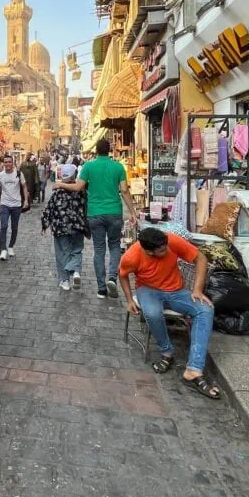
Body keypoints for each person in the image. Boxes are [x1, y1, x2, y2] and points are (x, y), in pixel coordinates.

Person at [120, 227, 219, 398]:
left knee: (205, 309)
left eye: (166, 247)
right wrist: (129, 300)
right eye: (162, 250)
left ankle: (194, 370)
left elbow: (200, 258)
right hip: (147, 289)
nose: (167, 250)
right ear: (149, 251)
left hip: (176, 290)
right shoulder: (131, 256)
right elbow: (122, 275)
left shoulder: (170, 240)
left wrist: (197, 290)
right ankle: (167, 351)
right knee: (152, 313)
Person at [53, 138, 137, 299]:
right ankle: (112, 277)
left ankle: (101, 289)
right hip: (114, 212)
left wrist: (61, 184)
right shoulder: (118, 167)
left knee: (99, 250)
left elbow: (78, 187)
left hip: (95, 214)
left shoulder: (89, 166)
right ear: (110, 150)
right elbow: (125, 191)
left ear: (96, 151)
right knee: (114, 246)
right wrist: (133, 212)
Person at [41, 162, 88, 291]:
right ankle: (76, 271)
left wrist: (45, 225)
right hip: (78, 226)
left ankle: (65, 280)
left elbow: (49, 209)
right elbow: (87, 207)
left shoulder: (57, 192)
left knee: (62, 253)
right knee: (77, 250)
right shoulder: (81, 191)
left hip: (60, 227)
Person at [0, 154, 28, 261]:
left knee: (14, 227)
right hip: (4, 204)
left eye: (9, 162)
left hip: (16, 205)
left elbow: (24, 186)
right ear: (3, 163)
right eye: (6, 162)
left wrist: (26, 200)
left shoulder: (18, 174)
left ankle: (10, 246)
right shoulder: (0, 175)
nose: (8, 164)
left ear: (12, 163)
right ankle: (3, 249)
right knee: (3, 226)